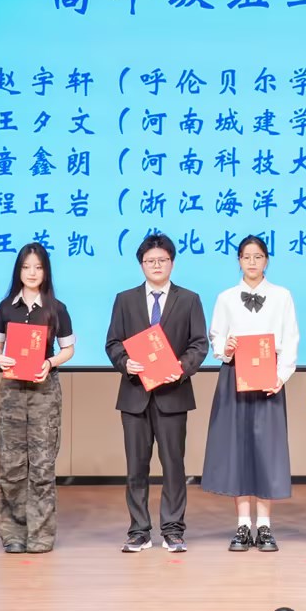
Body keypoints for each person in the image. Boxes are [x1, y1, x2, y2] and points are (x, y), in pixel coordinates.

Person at [103, 232, 209, 553]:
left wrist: (182, 366)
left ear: (172, 263)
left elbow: (199, 343)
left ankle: (173, 530)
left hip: (173, 394)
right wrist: (125, 362)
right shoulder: (125, 299)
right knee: (136, 466)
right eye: (150, 261)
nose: (157, 265)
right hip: (135, 395)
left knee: (173, 466)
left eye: (162, 260)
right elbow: (113, 342)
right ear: (141, 265)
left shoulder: (189, 299)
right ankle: (139, 531)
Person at [202, 236, 299, 552]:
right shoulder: (226, 297)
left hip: (269, 378)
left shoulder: (282, 295)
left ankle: (265, 526)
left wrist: (281, 377)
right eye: (246, 257)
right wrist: (225, 348)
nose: (252, 262)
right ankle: (243, 525)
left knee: (267, 450)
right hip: (235, 376)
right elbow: (216, 337)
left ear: (266, 260)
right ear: (239, 261)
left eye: (258, 256)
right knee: (238, 448)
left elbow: (291, 338)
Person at [0, 242, 74, 554]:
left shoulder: (57, 308)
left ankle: (40, 535)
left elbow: (68, 349)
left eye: (38, 267)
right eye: (26, 267)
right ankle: (13, 533)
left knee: (41, 465)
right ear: (18, 271)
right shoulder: (5, 308)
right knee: (11, 465)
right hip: (12, 390)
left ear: (46, 271)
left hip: (44, 390)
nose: (32, 273)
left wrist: (49, 363)